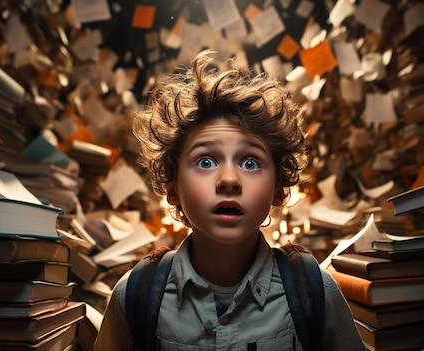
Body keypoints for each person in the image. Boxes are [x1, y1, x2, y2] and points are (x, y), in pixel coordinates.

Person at [94, 50, 365, 350]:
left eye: (250, 163)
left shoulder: (314, 293)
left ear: (278, 188)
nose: (229, 180)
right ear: (172, 188)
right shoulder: (135, 296)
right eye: (206, 162)